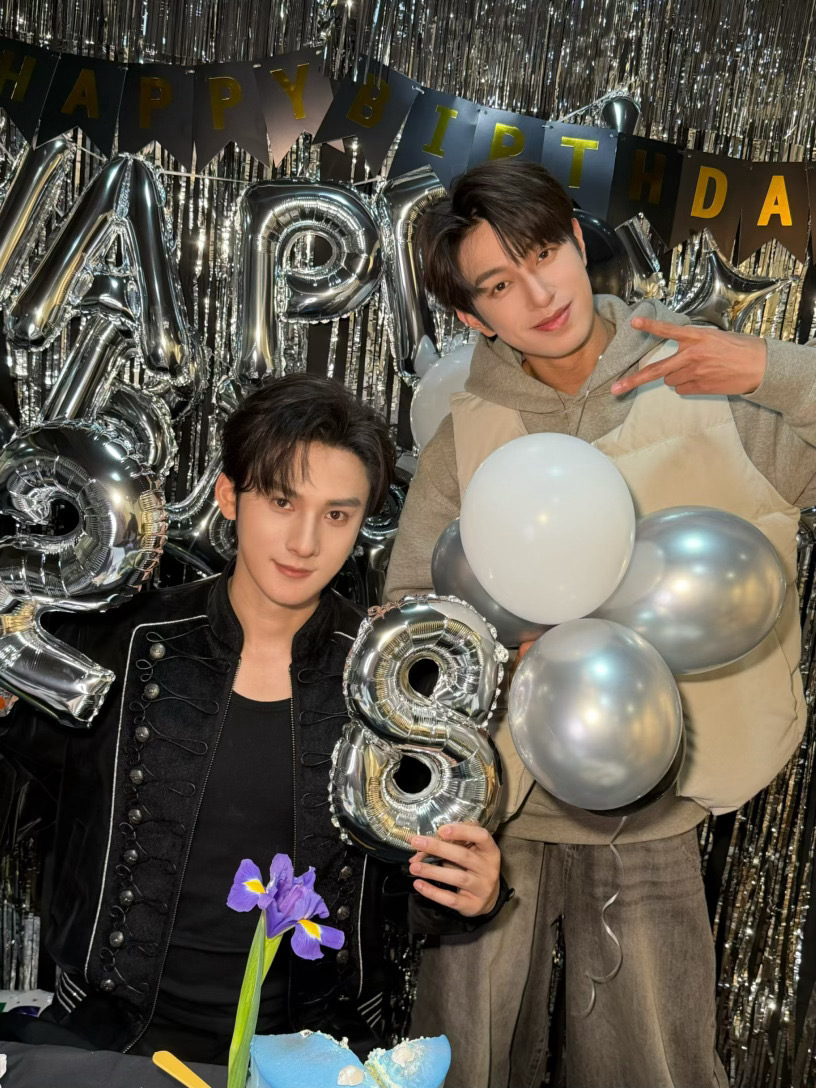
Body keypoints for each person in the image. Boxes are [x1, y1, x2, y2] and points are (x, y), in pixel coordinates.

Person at [384, 159, 816, 1088]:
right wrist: (505, 658)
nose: (539, 294)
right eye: (500, 284)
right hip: (495, 806)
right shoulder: (466, 435)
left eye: (544, 253)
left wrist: (767, 367)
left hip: (655, 794)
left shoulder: (702, 381)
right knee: (459, 1061)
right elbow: (408, 624)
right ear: (471, 315)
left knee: (655, 1064)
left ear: (579, 243)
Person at [0, 374, 507, 1065]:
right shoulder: (119, 642)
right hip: (113, 1046)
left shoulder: (393, 676)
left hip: (312, 1055)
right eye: (282, 501)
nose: (304, 542)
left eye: (337, 515)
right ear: (229, 496)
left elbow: (401, 896)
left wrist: (467, 892)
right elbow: (22, 798)